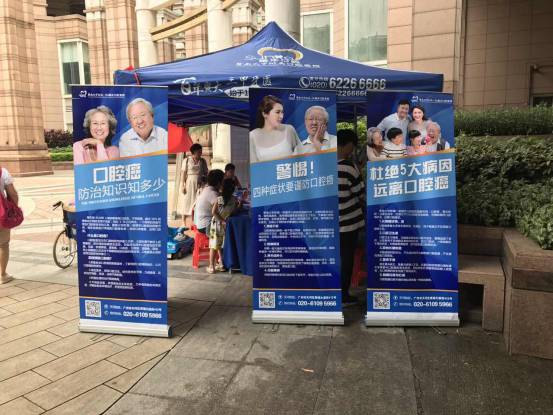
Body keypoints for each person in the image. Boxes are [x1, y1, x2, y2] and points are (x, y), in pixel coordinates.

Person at [337, 129, 365, 305]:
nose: (352, 150)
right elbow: (360, 193)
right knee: (346, 258)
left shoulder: (322, 164)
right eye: (352, 146)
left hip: (330, 222)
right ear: (348, 145)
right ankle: (343, 295)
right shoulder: (349, 167)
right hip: (348, 224)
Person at [249, 95, 300, 162]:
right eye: (277, 112)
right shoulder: (252, 136)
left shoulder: (289, 130)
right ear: (265, 114)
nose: (281, 116)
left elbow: (303, 155)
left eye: (282, 112)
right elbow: (253, 165)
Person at [207, 178, 241, 274]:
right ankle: (221, 264)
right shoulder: (234, 199)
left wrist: (221, 221)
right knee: (221, 245)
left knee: (214, 245)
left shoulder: (220, 199)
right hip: (226, 224)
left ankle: (211, 266)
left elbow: (214, 212)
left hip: (217, 224)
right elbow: (233, 212)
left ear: (223, 187)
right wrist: (239, 206)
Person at [181, 143, 208, 226]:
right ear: (194, 152)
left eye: (201, 151)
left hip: (200, 184)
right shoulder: (186, 160)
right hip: (189, 183)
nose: (200, 153)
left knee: (198, 202)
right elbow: (183, 173)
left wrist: (204, 181)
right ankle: (183, 221)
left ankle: (195, 221)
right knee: (186, 201)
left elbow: (206, 173)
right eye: (199, 151)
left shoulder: (203, 161)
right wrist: (182, 185)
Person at [0, 167, 19, 284]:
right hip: (1, 214)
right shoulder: (2, 172)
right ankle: (3, 275)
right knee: (3, 244)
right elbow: (13, 194)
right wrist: (13, 209)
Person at [194, 169, 225, 235]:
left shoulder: (207, 189)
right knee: (229, 225)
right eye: (223, 181)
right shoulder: (213, 194)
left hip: (201, 224)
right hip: (206, 226)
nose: (224, 183)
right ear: (219, 182)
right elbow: (223, 210)